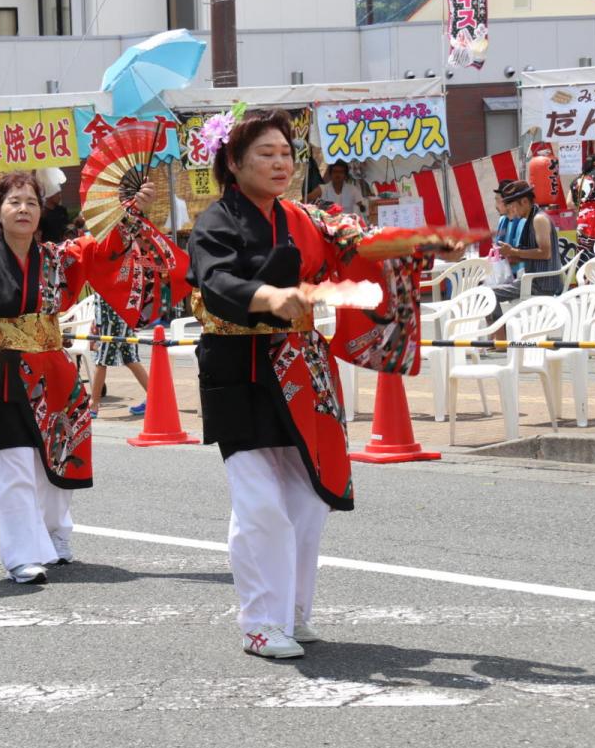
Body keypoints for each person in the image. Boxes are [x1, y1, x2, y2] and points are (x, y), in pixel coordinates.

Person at [187, 108, 444, 659]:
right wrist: (267, 298)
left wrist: (416, 244)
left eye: (287, 154)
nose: (281, 163)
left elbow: (361, 241)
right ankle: (260, 622)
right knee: (259, 504)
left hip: (303, 370)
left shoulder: (309, 218)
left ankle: (292, 614)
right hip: (240, 372)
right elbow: (216, 280)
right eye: (266, 154)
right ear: (233, 162)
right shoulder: (215, 222)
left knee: (307, 501)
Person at [0, 171, 189, 584]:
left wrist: (133, 210)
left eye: (32, 203)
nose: (23, 209)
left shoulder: (58, 260)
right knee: (15, 466)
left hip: (55, 373)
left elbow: (103, 246)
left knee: (59, 463)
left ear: (41, 214)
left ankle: (56, 535)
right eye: (14, 202)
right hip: (5, 378)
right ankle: (22, 555)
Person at [490, 181, 562, 320]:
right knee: (486, 293)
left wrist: (514, 252)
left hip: (541, 283)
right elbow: (530, 253)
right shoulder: (530, 218)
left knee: (487, 295)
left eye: (513, 205)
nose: (512, 209)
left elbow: (544, 253)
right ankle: (499, 336)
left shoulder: (539, 219)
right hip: (533, 280)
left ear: (524, 201)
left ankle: (499, 338)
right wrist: (508, 254)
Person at [87, 293, 149, 418]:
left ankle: (93, 404)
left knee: (102, 359)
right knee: (129, 358)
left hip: (113, 313)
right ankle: (155, 398)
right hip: (118, 312)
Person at [571, 155, 595, 261]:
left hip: (581, 216)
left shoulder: (577, 179)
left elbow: (569, 202)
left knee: (583, 249)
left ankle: (583, 275)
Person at [36, 167, 70, 243]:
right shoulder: (42, 214)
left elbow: (67, 227)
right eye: (57, 194)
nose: (60, 196)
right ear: (50, 195)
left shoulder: (62, 210)